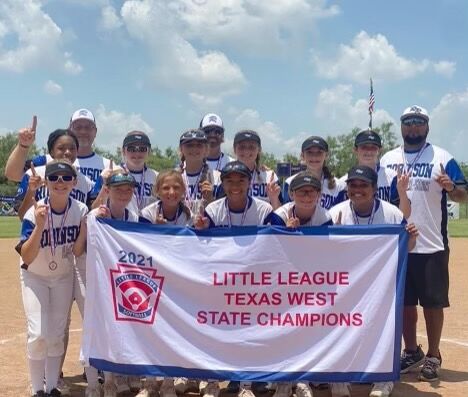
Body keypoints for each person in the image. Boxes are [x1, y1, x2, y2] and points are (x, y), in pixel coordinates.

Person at [379, 105, 468, 382]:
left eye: (419, 122)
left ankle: (432, 354)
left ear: (427, 126)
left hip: (432, 242)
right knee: (405, 303)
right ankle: (411, 351)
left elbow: (463, 195)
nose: (413, 127)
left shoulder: (442, 156)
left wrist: (452, 188)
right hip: (398, 243)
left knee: (433, 303)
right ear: (401, 126)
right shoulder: (387, 159)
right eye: (408, 122)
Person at [329, 165, 418, 397]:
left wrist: (411, 238)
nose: (358, 190)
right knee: (342, 326)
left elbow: (406, 248)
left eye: (363, 185)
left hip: (382, 284)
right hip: (346, 284)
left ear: (374, 188)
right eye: (353, 185)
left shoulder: (392, 213)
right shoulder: (336, 213)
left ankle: (383, 379)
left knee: (384, 327)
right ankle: (340, 376)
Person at [195, 161, 273, 397]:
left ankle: (255, 378)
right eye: (229, 181)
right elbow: (202, 247)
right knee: (227, 328)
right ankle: (233, 377)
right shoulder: (213, 210)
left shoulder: (264, 210)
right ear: (223, 183)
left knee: (256, 329)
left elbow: (275, 246)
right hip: (224, 281)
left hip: (256, 281)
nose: (235, 185)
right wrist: (200, 230)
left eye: (241, 180)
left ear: (250, 183)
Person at [16, 159, 88, 397]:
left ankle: (51, 387)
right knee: (38, 333)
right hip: (35, 276)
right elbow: (26, 256)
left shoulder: (80, 210)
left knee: (56, 335)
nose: (60, 182)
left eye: (66, 178)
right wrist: (39, 226)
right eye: (54, 177)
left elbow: (77, 251)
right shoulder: (33, 212)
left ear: (74, 183)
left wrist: (85, 227)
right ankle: (38, 389)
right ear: (46, 182)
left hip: (63, 276)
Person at [74, 170, 140, 397]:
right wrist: (90, 224)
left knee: (118, 327)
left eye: (128, 189)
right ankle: (93, 383)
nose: (123, 193)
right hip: (91, 277)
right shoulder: (95, 215)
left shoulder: (132, 217)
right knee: (93, 328)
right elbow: (77, 250)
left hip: (116, 280)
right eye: (118, 188)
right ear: (108, 190)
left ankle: (113, 379)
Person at [5, 109, 111, 183]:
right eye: (77, 127)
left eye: (88, 127)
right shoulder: (48, 160)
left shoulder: (108, 166)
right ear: (69, 129)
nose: (83, 131)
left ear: (95, 131)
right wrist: (23, 145)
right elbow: (12, 175)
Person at [16, 129, 94, 220]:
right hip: (39, 233)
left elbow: (90, 218)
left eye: (72, 148)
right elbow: (22, 216)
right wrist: (31, 190)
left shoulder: (86, 182)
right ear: (52, 151)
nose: (68, 152)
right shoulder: (33, 174)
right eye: (61, 148)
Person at [339, 129, 411, 219]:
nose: (369, 152)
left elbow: (404, 215)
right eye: (364, 147)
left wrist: (403, 193)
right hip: (354, 231)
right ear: (355, 150)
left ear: (379, 150)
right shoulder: (344, 182)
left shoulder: (392, 177)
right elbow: (336, 214)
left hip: (384, 231)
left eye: (373, 148)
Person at [92, 131, 158, 214]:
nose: (137, 153)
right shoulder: (110, 173)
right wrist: (105, 184)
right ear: (123, 151)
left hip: (147, 225)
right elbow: (93, 209)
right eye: (131, 149)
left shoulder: (156, 177)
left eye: (142, 149)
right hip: (119, 225)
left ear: (149, 151)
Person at [283, 136, 346, 209]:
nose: (314, 157)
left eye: (319, 152)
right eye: (309, 152)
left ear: (326, 155)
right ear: (302, 155)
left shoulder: (339, 186)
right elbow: (286, 212)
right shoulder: (291, 182)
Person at [233, 129, 282, 209]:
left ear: (259, 150)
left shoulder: (269, 177)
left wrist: (274, 199)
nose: (246, 151)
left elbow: (279, 212)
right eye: (242, 147)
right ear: (235, 149)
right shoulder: (227, 177)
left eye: (251, 147)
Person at [178, 128, 221, 214]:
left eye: (199, 145)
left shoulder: (218, 178)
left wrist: (210, 200)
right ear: (181, 149)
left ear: (206, 149)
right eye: (189, 145)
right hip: (179, 227)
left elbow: (224, 212)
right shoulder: (173, 177)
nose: (194, 149)